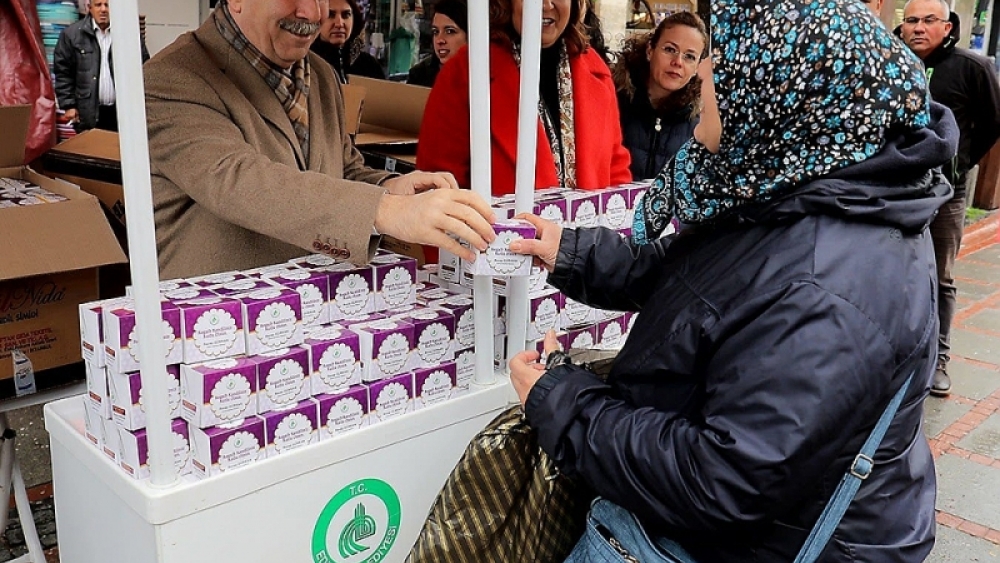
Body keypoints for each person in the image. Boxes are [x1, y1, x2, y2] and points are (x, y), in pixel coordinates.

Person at [507, 0, 958, 559]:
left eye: (723, 67)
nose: (703, 76)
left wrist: (565, 404)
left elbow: (722, 480)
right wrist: (572, 252)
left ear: (780, 101)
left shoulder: (828, 288)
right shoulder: (801, 190)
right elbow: (704, 280)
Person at [144, 0, 496, 279]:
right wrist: (385, 210)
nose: (312, 13)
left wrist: (393, 187)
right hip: (214, 337)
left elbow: (343, 169)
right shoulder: (171, 77)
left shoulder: (320, 75)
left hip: (311, 327)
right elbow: (238, 179)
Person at [416, 0, 632, 195]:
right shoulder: (466, 73)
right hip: (499, 237)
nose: (546, 5)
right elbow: (438, 187)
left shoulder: (596, 71)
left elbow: (615, 172)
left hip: (587, 237)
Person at [899, 0, 1000, 395]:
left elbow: (993, 122)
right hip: (896, 189)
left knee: (941, 275)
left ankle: (939, 357)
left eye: (929, 20)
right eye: (911, 20)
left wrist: (961, 163)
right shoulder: (890, 63)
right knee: (893, 270)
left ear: (948, 26)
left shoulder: (971, 67)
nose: (919, 28)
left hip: (946, 192)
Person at [613, 11, 706, 180]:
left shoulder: (701, 127)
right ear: (650, 51)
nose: (678, 62)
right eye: (670, 49)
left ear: (696, 68)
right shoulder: (614, 101)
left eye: (689, 57)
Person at [53, 0, 150, 132]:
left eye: (107, 5)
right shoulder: (72, 35)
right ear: (89, 8)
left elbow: (144, 69)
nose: (103, 9)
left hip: (122, 113)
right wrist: (69, 105)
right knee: (89, 150)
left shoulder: (129, 34)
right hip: (86, 112)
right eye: (98, 5)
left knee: (117, 151)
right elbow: (63, 73)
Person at [310, 0, 385, 83]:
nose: (339, 24)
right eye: (330, 15)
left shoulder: (369, 65)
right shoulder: (306, 62)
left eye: (346, 15)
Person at [406, 0, 468, 88]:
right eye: (435, 32)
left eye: (449, 31)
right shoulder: (419, 75)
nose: (439, 40)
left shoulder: (485, 75)